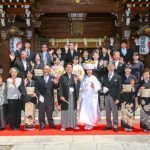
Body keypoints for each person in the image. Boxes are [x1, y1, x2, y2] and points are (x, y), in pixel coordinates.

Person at [79, 63, 101, 130]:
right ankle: (87, 123)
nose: (89, 71)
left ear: (92, 71)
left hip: (92, 96)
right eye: (87, 70)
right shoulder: (84, 78)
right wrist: (81, 89)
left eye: (90, 70)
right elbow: (82, 86)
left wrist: (94, 86)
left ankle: (91, 123)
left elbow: (99, 86)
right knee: (86, 110)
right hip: (86, 96)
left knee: (92, 110)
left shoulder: (94, 78)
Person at [35, 65, 58, 130]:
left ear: (49, 70)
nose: (46, 71)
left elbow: (55, 88)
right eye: (45, 69)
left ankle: (51, 124)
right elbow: (36, 89)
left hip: (50, 98)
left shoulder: (53, 78)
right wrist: (39, 96)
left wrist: (56, 84)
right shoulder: (39, 78)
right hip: (41, 98)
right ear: (43, 70)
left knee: (49, 113)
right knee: (41, 113)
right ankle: (42, 125)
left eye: (47, 69)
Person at [59, 63, 80, 131]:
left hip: (73, 96)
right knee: (65, 110)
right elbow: (60, 87)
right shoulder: (62, 76)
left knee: (73, 110)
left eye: (70, 67)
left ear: (72, 68)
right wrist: (61, 95)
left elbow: (78, 85)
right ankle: (64, 125)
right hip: (65, 96)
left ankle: (74, 125)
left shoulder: (75, 76)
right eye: (67, 67)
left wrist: (76, 82)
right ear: (65, 68)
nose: (69, 68)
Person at [102, 62, 122, 132]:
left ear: (114, 67)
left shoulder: (118, 77)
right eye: (109, 66)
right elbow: (103, 85)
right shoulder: (104, 76)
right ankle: (108, 125)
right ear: (107, 68)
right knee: (107, 112)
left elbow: (119, 89)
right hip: (107, 96)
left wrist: (118, 98)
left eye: (112, 66)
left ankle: (115, 125)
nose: (110, 68)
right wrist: (103, 88)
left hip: (114, 97)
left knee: (115, 112)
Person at [120, 64, 138, 131]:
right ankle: (125, 125)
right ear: (124, 69)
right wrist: (121, 90)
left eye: (129, 68)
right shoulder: (121, 77)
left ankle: (130, 126)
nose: (127, 70)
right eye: (126, 68)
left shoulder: (133, 77)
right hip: (124, 96)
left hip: (131, 96)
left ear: (131, 69)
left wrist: (132, 87)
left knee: (131, 111)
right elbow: (119, 85)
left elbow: (136, 85)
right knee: (124, 111)